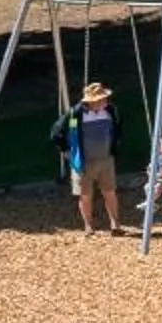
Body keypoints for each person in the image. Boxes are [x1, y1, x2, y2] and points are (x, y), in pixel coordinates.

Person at [52, 81, 127, 236]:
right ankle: (89, 226)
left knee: (110, 192)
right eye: (102, 99)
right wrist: (66, 151)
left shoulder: (111, 111)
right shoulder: (75, 114)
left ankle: (115, 224)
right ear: (92, 102)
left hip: (106, 159)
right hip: (82, 162)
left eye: (105, 98)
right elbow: (56, 133)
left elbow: (118, 128)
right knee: (85, 195)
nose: (105, 101)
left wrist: (115, 144)